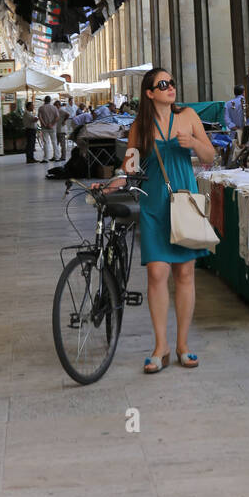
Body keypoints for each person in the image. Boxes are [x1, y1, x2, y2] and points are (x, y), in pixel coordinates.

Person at [104, 67, 216, 373]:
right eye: (162, 84)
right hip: (154, 204)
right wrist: (113, 181)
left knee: (185, 273)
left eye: (172, 82)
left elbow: (210, 156)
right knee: (156, 273)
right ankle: (160, 345)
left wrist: (192, 143)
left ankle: (182, 344)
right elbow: (130, 168)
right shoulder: (140, 126)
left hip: (184, 199)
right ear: (150, 93)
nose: (170, 87)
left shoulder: (189, 116)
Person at [37, 94, 60, 161]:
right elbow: (57, 117)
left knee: (46, 142)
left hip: (44, 128)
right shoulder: (54, 108)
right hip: (53, 128)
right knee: (54, 142)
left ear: (44, 100)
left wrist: (45, 124)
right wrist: (52, 124)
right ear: (50, 101)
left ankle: (46, 158)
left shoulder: (41, 108)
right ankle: (56, 157)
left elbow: (40, 117)